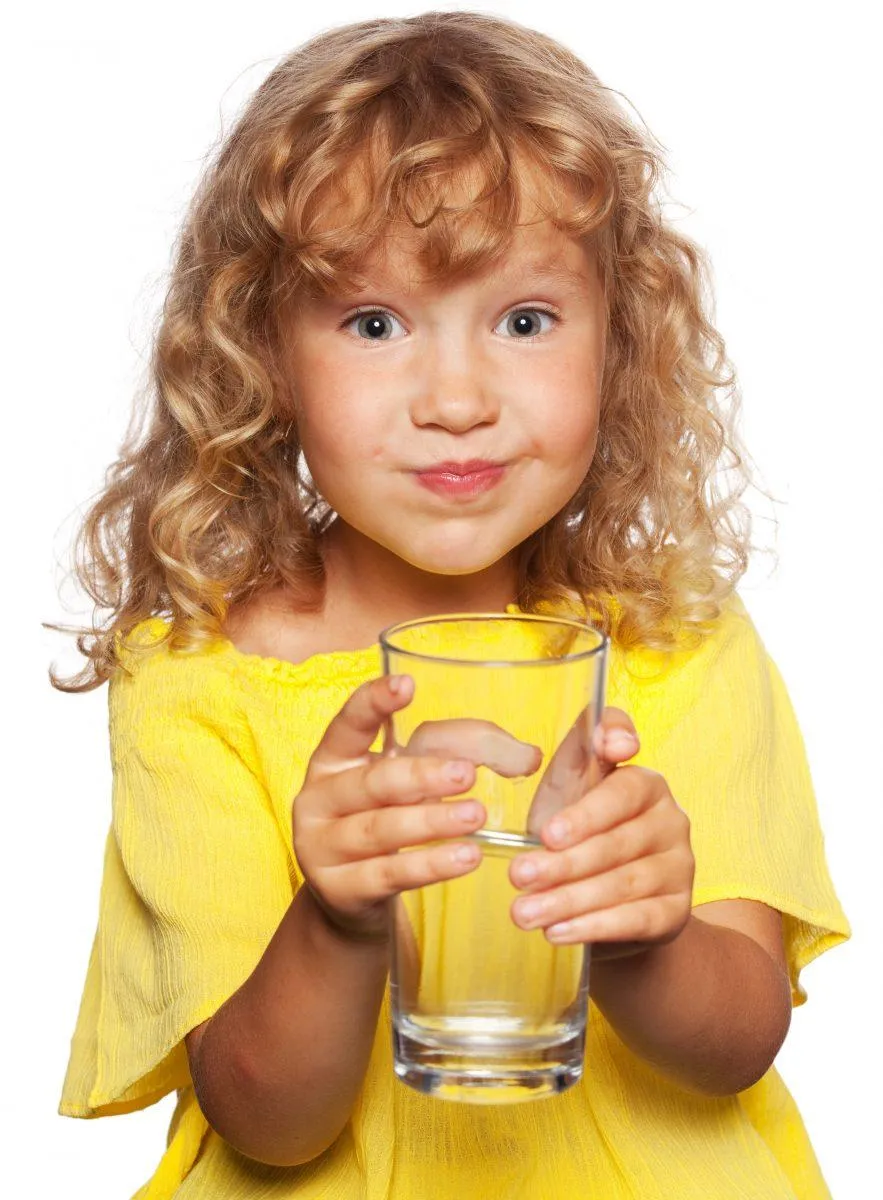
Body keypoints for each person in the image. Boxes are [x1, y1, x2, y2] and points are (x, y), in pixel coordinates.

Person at [50, 10, 850, 1199]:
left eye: (524, 321)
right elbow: (265, 1121)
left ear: (616, 339)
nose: (457, 399)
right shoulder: (200, 678)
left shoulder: (673, 644)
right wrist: (334, 923)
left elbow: (736, 1042)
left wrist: (640, 935)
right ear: (265, 352)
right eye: (373, 324)